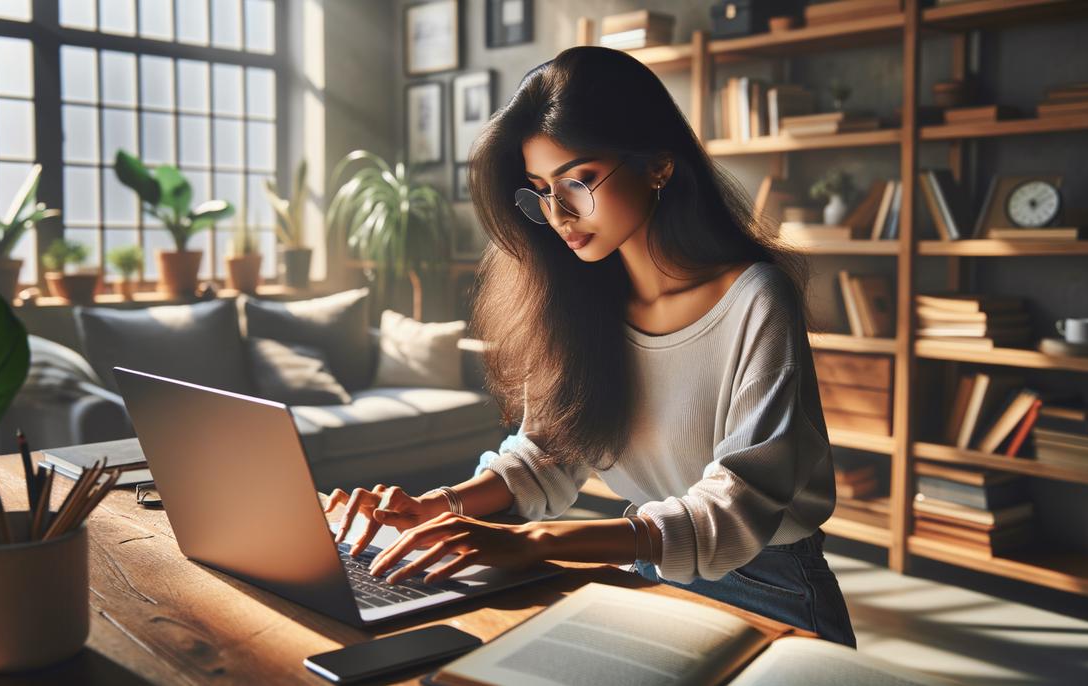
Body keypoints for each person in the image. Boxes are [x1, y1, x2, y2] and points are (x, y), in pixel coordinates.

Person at [323, 45, 856, 647]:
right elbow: (546, 453)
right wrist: (439, 506)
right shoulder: (579, 301)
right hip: (646, 573)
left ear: (658, 164)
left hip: (772, 589)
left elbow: (737, 505)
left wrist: (541, 543)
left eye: (577, 180)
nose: (558, 213)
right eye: (540, 190)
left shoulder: (756, 298)